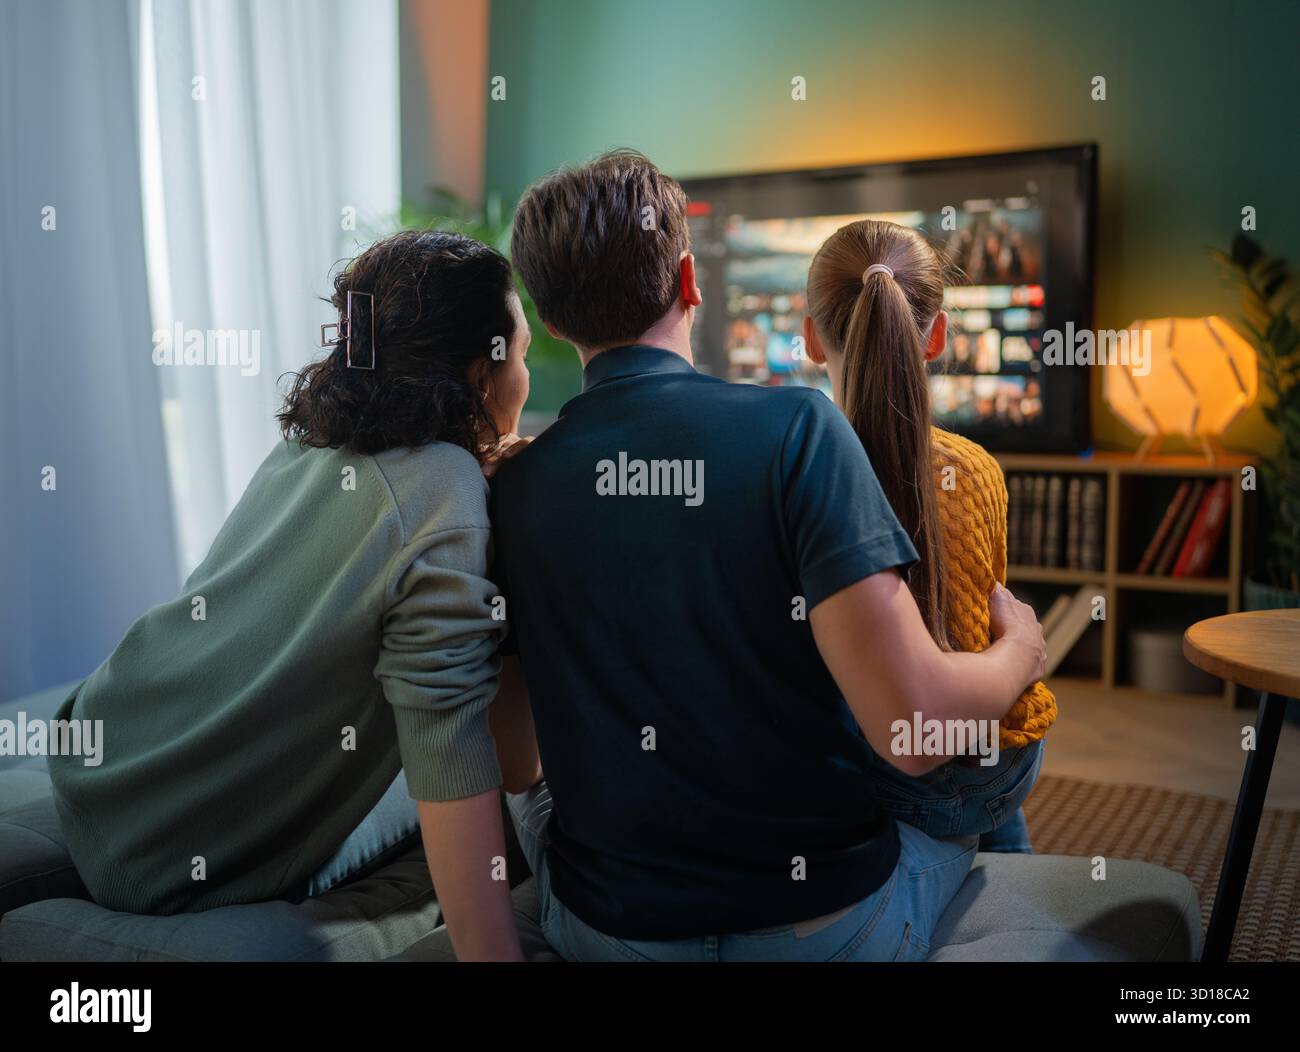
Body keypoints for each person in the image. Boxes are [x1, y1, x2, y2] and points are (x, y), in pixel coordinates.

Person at [488, 150, 1047, 962]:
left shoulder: (513, 485)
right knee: (983, 773)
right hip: (827, 931)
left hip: (612, 937)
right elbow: (915, 733)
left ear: (546, 316)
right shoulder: (799, 431)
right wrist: (1022, 652)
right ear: (689, 280)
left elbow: (515, 759)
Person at [48, 230, 531, 960]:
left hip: (102, 765)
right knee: (507, 810)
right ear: (478, 374)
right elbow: (452, 743)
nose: (524, 375)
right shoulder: (444, 494)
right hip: (168, 856)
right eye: (519, 354)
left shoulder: (316, 439)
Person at [802, 218, 1057, 854]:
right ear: (937, 336)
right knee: (982, 768)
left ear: (810, 340)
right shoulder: (974, 468)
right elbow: (988, 616)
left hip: (892, 783)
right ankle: (1010, 863)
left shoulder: (797, 476)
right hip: (998, 767)